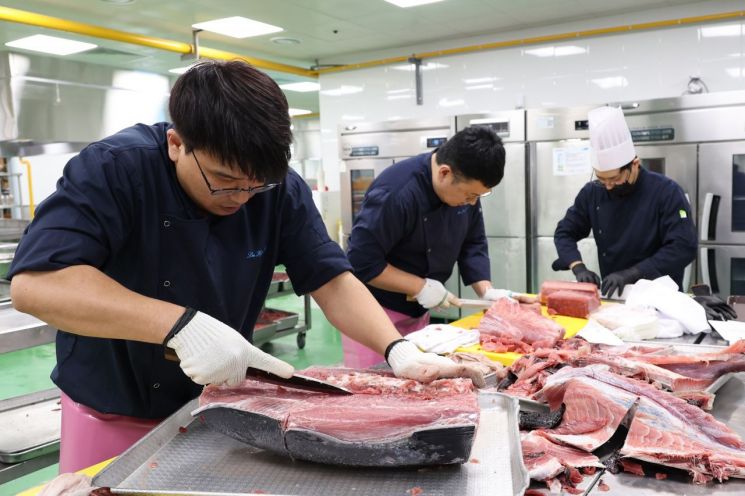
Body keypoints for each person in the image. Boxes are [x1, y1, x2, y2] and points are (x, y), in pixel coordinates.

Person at [7, 60, 483, 473]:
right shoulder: (113, 169)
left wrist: (397, 349)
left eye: (255, 186)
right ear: (176, 143)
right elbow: (39, 284)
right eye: (223, 181)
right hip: (111, 410)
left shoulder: (279, 188)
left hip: (220, 406)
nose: (240, 197)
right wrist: (179, 326)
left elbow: (331, 278)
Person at [346, 126, 532, 367]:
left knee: (414, 389)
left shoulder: (465, 189)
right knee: (376, 390)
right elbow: (362, 262)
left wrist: (485, 291)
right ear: (444, 173)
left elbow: (472, 242)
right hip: (373, 313)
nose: (472, 202)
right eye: (469, 195)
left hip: (417, 314)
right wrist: (419, 286)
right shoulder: (395, 192)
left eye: (479, 196)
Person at [553, 106, 702, 301]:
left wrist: (633, 273)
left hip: (662, 300)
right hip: (615, 298)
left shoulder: (666, 192)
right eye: (601, 179)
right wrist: (577, 265)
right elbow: (565, 232)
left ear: (634, 164)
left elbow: (683, 247)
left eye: (614, 179)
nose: (607, 186)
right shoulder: (592, 192)